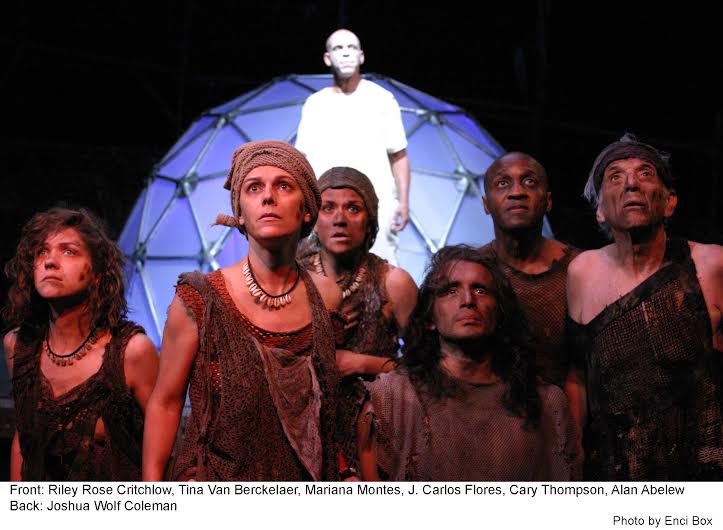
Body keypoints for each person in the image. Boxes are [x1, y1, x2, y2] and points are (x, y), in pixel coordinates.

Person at [143, 140, 352, 481]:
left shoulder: (326, 296)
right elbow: (165, 402)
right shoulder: (199, 299)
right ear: (240, 212)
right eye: (254, 188)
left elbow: (329, 407)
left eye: (283, 186)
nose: (268, 197)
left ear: (307, 210)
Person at [567, 133, 723, 480]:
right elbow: (578, 374)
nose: (631, 184)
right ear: (600, 211)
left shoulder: (711, 264)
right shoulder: (582, 271)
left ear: (669, 202)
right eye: (615, 177)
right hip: (613, 471)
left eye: (645, 173)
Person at [358, 245, 580, 481]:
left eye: (481, 290)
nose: (468, 300)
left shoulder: (547, 404)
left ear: (500, 313)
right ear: (430, 317)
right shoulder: (390, 399)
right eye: (451, 291)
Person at [2, 207, 159, 481]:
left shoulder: (131, 352)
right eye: (41, 252)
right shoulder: (18, 345)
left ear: (97, 273)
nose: (50, 262)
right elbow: (23, 438)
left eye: (68, 251)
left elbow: (162, 448)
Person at [295, 28, 410, 265]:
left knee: (380, 269)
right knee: (320, 269)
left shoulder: (382, 99)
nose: (346, 53)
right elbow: (302, 160)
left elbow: (399, 155)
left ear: (361, 56)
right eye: (338, 48)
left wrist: (404, 202)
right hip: (325, 205)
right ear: (328, 58)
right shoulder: (315, 104)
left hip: (376, 203)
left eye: (351, 48)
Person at [300, 166, 417, 369]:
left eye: (353, 208)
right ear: (315, 221)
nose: (340, 220)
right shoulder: (293, 278)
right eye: (328, 208)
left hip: (379, 390)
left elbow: (429, 368)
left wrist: (364, 364)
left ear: (369, 221)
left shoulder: (393, 283)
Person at [481, 152, 580, 390]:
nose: (517, 192)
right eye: (503, 183)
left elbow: (585, 367)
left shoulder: (580, 269)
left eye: (529, 182)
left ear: (548, 201)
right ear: (486, 204)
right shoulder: (473, 272)